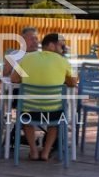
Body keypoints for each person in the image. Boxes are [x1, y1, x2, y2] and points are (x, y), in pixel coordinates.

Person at [7, 32, 77, 162]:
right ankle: (45, 152)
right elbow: (73, 82)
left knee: (25, 116)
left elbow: (14, 79)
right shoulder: (64, 61)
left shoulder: (27, 58)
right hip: (54, 113)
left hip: (29, 112)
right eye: (61, 47)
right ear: (51, 45)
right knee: (58, 116)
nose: (63, 50)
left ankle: (33, 151)